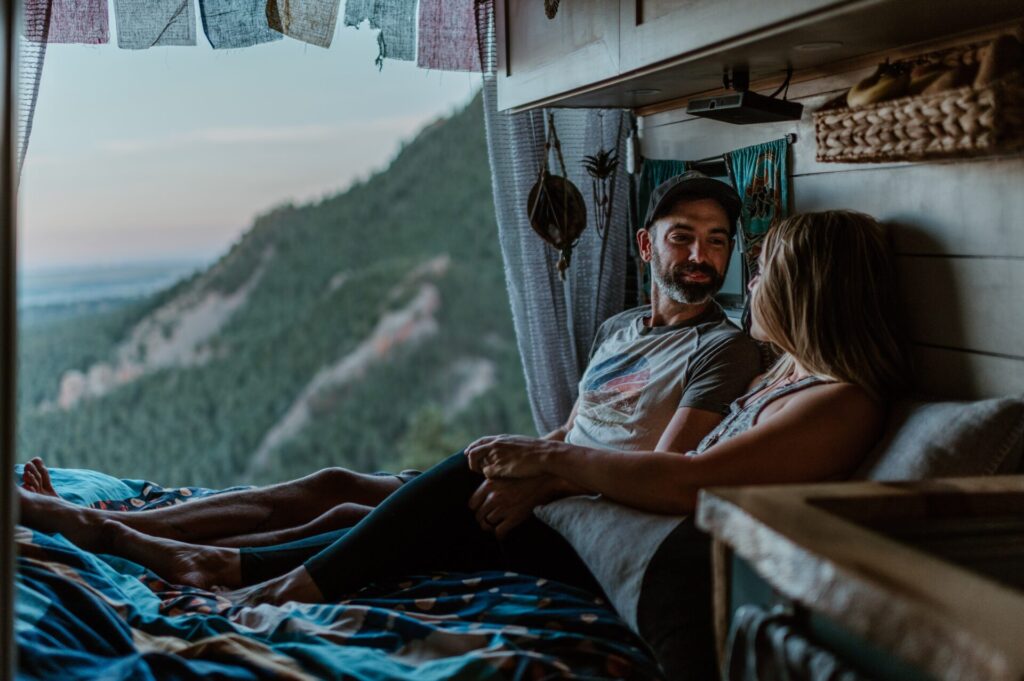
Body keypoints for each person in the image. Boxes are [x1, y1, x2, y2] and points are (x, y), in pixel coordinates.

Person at [17, 171, 763, 590]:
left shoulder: (723, 350)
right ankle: (128, 532)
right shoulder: (619, 329)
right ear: (646, 245)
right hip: (549, 488)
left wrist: (539, 481)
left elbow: (663, 473)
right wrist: (538, 461)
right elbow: (575, 432)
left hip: (587, 524)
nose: (701, 255)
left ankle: (139, 541)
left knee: (351, 511)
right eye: (684, 237)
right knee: (337, 483)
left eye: (718, 242)